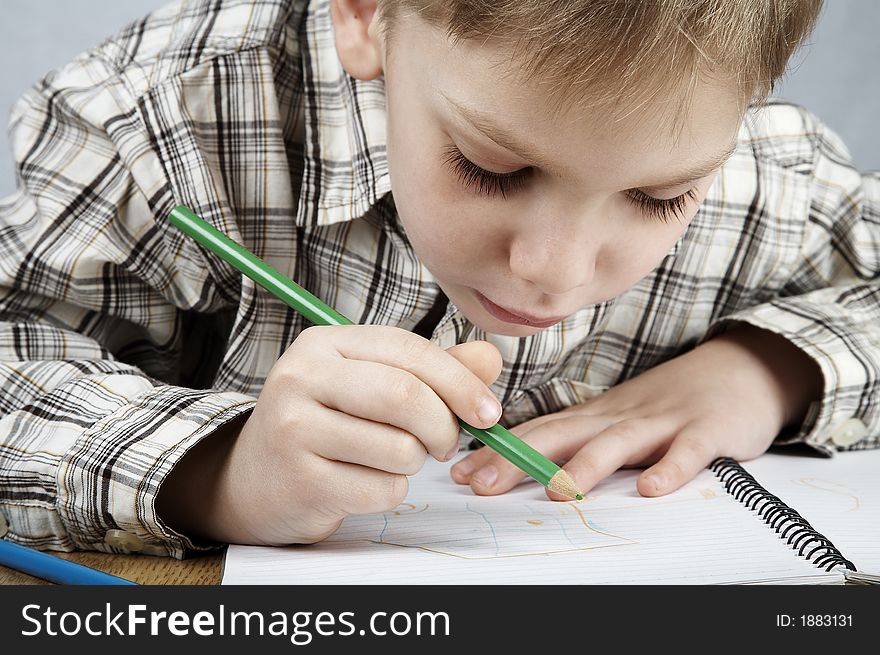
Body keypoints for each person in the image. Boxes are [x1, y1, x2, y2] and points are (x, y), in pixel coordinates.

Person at [0, 0, 876, 559]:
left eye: (658, 197)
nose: (557, 272)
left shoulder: (761, 172)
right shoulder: (163, 119)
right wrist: (222, 473)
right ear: (366, 14)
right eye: (493, 168)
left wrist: (767, 369)